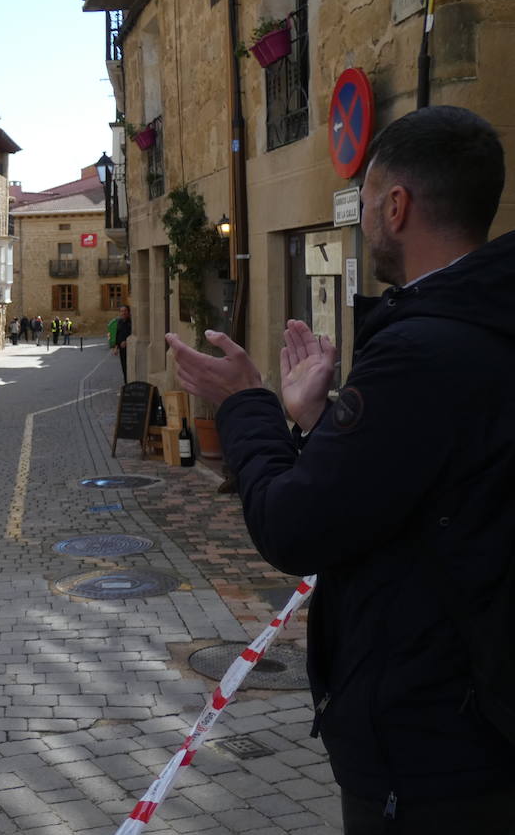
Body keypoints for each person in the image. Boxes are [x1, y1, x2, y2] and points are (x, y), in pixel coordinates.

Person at [165, 106, 515, 832]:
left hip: (435, 747)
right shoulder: (486, 322)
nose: (362, 221)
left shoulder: (422, 350)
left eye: (367, 202)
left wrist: (244, 404)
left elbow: (295, 525)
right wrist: (319, 422)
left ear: (397, 206)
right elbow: (419, 490)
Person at [109, 304, 131, 381]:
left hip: (130, 349)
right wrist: (116, 347)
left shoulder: (131, 322)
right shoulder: (120, 322)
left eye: (125, 311)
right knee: (124, 368)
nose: (123, 313)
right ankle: (126, 384)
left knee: (130, 368)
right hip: (122, 350)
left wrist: (127, 341)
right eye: (121, 311)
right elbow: (118, 335)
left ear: (128, 312)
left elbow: (134, 334)